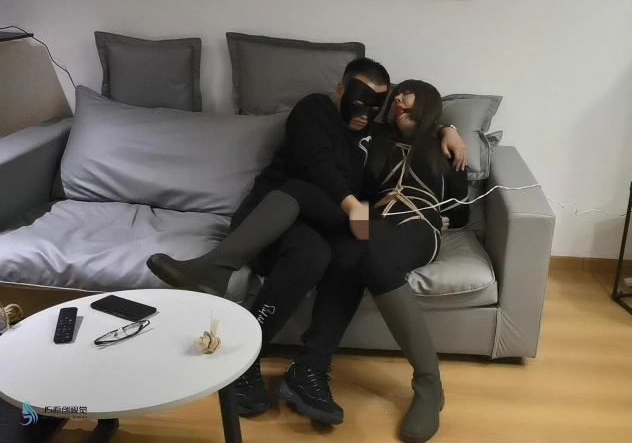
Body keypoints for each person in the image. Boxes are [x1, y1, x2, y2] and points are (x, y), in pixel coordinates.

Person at [145, 58, 468, 422]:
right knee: (309, 226)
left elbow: (458, 205)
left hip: (339, 225)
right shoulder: (320, 112)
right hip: (271, 216)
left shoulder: (387, 140)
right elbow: (317, 164)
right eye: (387, 102)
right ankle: (238, 335)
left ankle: (308, 370)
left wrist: (446, 128)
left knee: (337, 252)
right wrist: (356, 208)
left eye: (382, 106)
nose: (369, 114)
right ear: (340, 90)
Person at [360, 80, 469, 443]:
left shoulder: (444, 145)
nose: (397, 101)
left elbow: (462, 209)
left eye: (405, 95)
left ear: (424, 102)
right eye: (395, 97)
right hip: (373, 220)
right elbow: (358, 190)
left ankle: (427, 381)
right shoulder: (376, 138)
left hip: (420, 224)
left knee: (376, 261)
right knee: (353, 255)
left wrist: (446, 128)